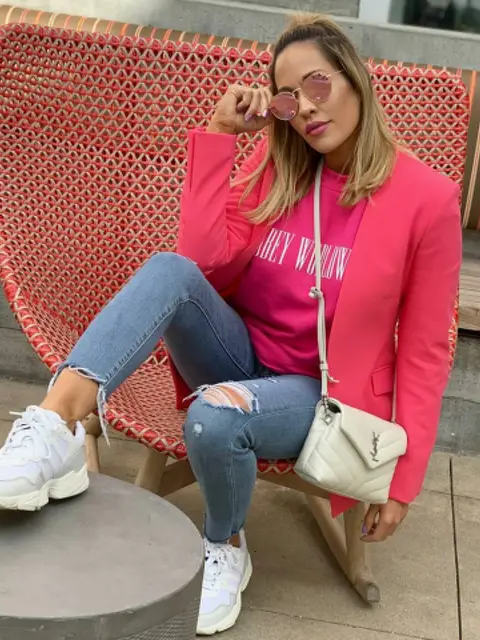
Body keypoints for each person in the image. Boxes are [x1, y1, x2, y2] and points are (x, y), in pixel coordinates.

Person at [0, 13, 462, 635]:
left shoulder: (426, 199)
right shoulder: (283, 166)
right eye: (288, 98)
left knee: (214, 418)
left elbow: (427, 349)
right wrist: (220, 134)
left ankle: (225, 544)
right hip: (238, 356)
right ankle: (57, 424)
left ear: (354, 79)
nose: (306, 108)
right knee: (169, 270)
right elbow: (200, 257)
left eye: (318, 84)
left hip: (324, 394)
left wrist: (403, 481)